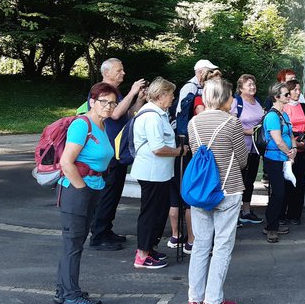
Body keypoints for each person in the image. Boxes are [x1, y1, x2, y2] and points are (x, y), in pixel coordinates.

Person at [56, 82, 121, 304]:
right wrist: (82, 189)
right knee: (73, 244)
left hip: (90, 188)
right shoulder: (82, 125)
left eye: (113, 102)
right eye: (104, 101)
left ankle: (64, 290)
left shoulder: (101, 125)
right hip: (76, 191)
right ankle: (71, 297)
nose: (109, 106)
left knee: (73, 243)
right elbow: (66, 162)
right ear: (92, 102)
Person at [186, 78, 248, 304]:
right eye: (231, 95)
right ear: (223, 98)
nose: (233, 100)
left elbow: (196, 153)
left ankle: (194, 300)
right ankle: (213, 302)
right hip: (227, 189)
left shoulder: (193, 123)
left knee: (201, 244)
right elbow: (242, 160)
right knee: (222, 246)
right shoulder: (232, 123)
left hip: (201, 191)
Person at [88, 58, 147, 251]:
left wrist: (138, 99)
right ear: (107, 72)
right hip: (109, 151)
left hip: (118, 150)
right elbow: (113, 114)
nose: (123, 73)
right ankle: (98, 235)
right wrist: (132, 91)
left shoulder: (117, 93)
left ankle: (106, 229)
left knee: (114, 193)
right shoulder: (102, 91)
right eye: (119, 70)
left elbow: (128, 114)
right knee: (108, 193)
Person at [130, 77, 183, 270]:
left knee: (157, 212)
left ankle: (149, 249)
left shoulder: (157, 113)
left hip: (159, 172)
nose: (173, 98)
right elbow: (158, 148)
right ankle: (143, 254)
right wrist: (178, 151)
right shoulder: (152, 116)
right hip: (152, 172)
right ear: (161, 95)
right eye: (170, 94)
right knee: (150, 213)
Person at [169, 59, 217, 253]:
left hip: (184, 142)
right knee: (187, 193)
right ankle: (190, 239)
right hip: (188, 143)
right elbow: (185, 114)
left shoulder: (193, 87)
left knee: (177, 193)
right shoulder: (192, 88)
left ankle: (176, 236)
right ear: (201, 72)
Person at [261, 83, 296, 242]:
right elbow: (278, 140)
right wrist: (289, 153)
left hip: (284, 159)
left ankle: (273, 224)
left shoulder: (284, 115)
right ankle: (271, 227)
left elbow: (291, 135)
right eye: (286, 94)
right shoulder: (273, 116)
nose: (289, 96)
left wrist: (294, 148)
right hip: (274, 159)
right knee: (278, 193)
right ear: (276, 97)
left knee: (281, 193)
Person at [230, 74, 264, 225]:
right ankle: (234, 214)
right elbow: (231, 124)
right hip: (239, 147)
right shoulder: (236, 102)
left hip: (255, 148)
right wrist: (248, 131)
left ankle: (247, 211)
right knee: (238, 180)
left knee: (250, 180)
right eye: (249, 84)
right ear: (240, 88)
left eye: (253, 84)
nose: (252, 87)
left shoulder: (257, 102)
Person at [282, 79, 305, 225]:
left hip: (302, 147)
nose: (298, 92)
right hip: (288, 148)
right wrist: (294, 142)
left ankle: (295, 214)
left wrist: (303, 142)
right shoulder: (283, 107)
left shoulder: (303, 106)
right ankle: (283, 212)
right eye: (294, 89)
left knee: (299, 181)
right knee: (287, 181)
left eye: (299, 89)